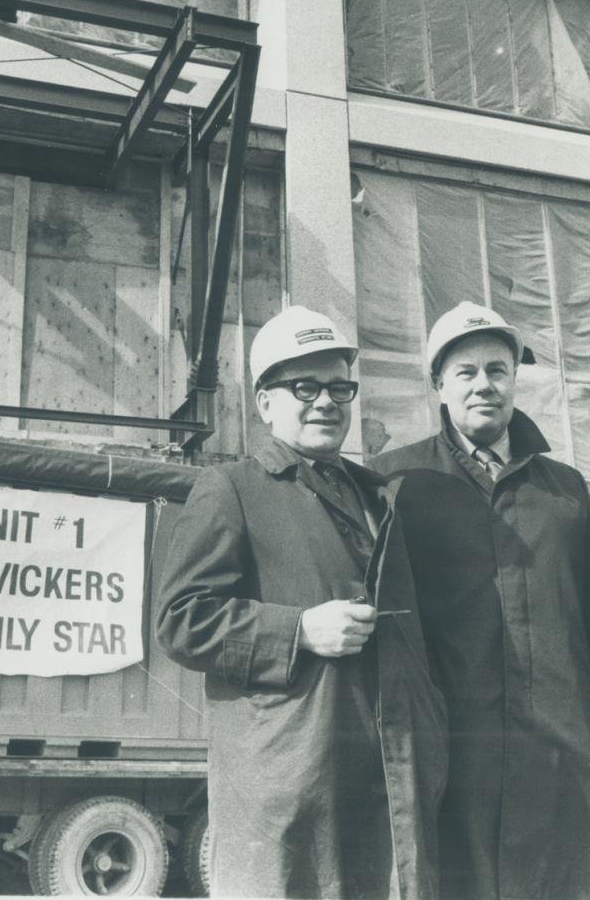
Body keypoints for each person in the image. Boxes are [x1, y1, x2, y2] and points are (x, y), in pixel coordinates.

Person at [154, 305, 446, 899]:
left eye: (340, 388)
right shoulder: (232, 487)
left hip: (382, 777)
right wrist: (300, 631)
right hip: (291, 784)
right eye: (304, 387)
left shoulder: (375, 495)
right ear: (265, 404)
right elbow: (181, 621)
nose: (326, 403)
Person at [371, 301, 590, 900]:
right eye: (466, 372)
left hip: (560, 760)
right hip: (451, 760)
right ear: (438, 386)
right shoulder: (394, 484)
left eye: (498, 370)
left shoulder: (565, 490)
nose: (485, 384)